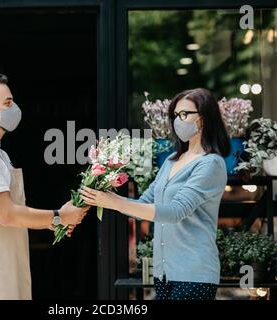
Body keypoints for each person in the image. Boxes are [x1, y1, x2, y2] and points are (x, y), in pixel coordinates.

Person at [0, 74, 89, 300]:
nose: (14, 108)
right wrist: (58, 217)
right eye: (7, 103)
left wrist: (52, 223)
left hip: (2, 261)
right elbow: (7, 214)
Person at [80, 88, 230, 300]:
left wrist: (116, 202)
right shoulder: (171, 161)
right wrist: (105, 189)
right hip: (164, 274)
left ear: (203, 119)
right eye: (175, 115)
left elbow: (176, 212)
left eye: (185, 114)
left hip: (194, 273)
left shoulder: (211, 164)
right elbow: (144, 206)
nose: (178, 120)